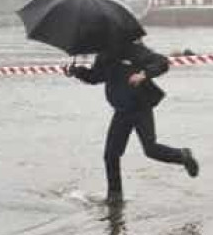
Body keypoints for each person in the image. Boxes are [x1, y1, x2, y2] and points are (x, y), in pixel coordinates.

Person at [64, 33, 199, 203]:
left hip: (140, 106)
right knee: (111, 155)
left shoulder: (133, 49)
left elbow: (162, 62)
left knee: (150, 149)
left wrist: (144, 75)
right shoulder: (104, 55)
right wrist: (77, 72)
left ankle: (183, 156)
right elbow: (96, 77)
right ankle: (115, 197)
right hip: (121, 110)